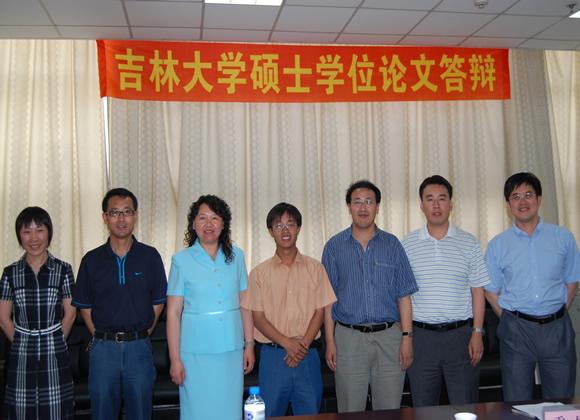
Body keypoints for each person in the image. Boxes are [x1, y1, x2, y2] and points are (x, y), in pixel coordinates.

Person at [322, 180, 418, 412]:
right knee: (350, 409)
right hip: (349, 339)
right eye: (357, 202)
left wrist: (407, 338)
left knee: (389, 410)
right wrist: (330, 341)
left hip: (389, 338)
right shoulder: (334, 247)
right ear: (349, 207)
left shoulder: (392, 245)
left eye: (369, 202)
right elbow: (327, 300)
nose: (363, 207)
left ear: (377, 207)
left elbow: (404, 296)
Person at [72, 188, 167, 420]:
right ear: (105, 217)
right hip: (103, 350)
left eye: (127, 212)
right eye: (115, 213)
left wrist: (143, 333)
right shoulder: (91, 260)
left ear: (135, 216)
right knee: (102, 413)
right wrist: (100, 336)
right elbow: (84, 306)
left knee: (141, 413)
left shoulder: (150, 256)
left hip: (139, 349)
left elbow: (158, 301)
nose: (121, 219)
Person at [485, 172, 580, 401]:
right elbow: (490, 290)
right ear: (508, 204)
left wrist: (556, 311)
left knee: (560, 402)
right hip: (516, 329)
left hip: (557, 328)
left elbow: (571, 281)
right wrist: (510, 319)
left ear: (539, 199)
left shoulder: (563, 237)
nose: (523, 201)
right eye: (515, 196)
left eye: (528, 195)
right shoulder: (498, 245)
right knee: (517, 402)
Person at [241, 202, 336, 416]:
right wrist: (288, 344)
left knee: (310, 413)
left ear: (298, 228)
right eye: (279, 225)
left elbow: (320, 311)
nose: (285, 230)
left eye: (290, 224)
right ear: (270, 231)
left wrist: (301, 346)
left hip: (307, 355)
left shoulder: (315, 268)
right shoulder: (259, 273)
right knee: (271, 414)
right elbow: (258, 317)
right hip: (274, 357)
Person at [402, 175, 490, 407]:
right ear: (421, 205)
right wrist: (407, 337)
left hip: (460, 337)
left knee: (465, 406)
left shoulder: (469, 242)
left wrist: (477, 332)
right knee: (424, 408)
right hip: (422, 339)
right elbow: (404, 296)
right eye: (429, 199)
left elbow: (478, 291)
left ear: (451, 203)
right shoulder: (407, 244)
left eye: (442, 198)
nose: (436, 205)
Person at [166, 194, 255, 419]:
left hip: (231, 350)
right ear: (193, 224)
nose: (209, 224)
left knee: (229, 409)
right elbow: (174, 313)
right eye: (202, 218)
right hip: (195, 353)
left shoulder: (237, 257)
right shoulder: (181, 260)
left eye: (215, 218)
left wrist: (249, 345)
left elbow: (245, 304)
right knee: (198, 410)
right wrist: (175, 359)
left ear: (223, 224)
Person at [0, 207, 76, 419]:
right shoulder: (10, 273)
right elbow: (3, 317)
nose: (34, 238)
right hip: (21, 350)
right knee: (21, 410)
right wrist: (22, 340)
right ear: (19, 236)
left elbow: (70, 313)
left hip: (55, 349)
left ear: (49, 233)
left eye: (40, 230)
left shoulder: (63, 270)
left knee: (56, 410)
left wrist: (55, 338)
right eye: (27, 231)